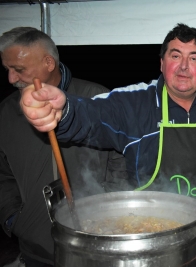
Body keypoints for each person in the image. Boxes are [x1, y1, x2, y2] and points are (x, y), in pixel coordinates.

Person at [19, 23, 196, 264]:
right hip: (152, 241)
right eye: (175, 55)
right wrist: (62, 110)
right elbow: (92, 115)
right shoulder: (134, 103)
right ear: (161, 63)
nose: (183, 66)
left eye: (194, 58)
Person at [0, 27, 127, 267]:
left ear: (48, 62)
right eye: (7, 70)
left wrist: (108, 205)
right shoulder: (6, 112)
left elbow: (121, 155)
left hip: (94, 242)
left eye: (18, 70)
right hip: (37, 249)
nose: (11, 79)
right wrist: (13, 218)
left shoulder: (96, 97)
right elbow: (2, 173)